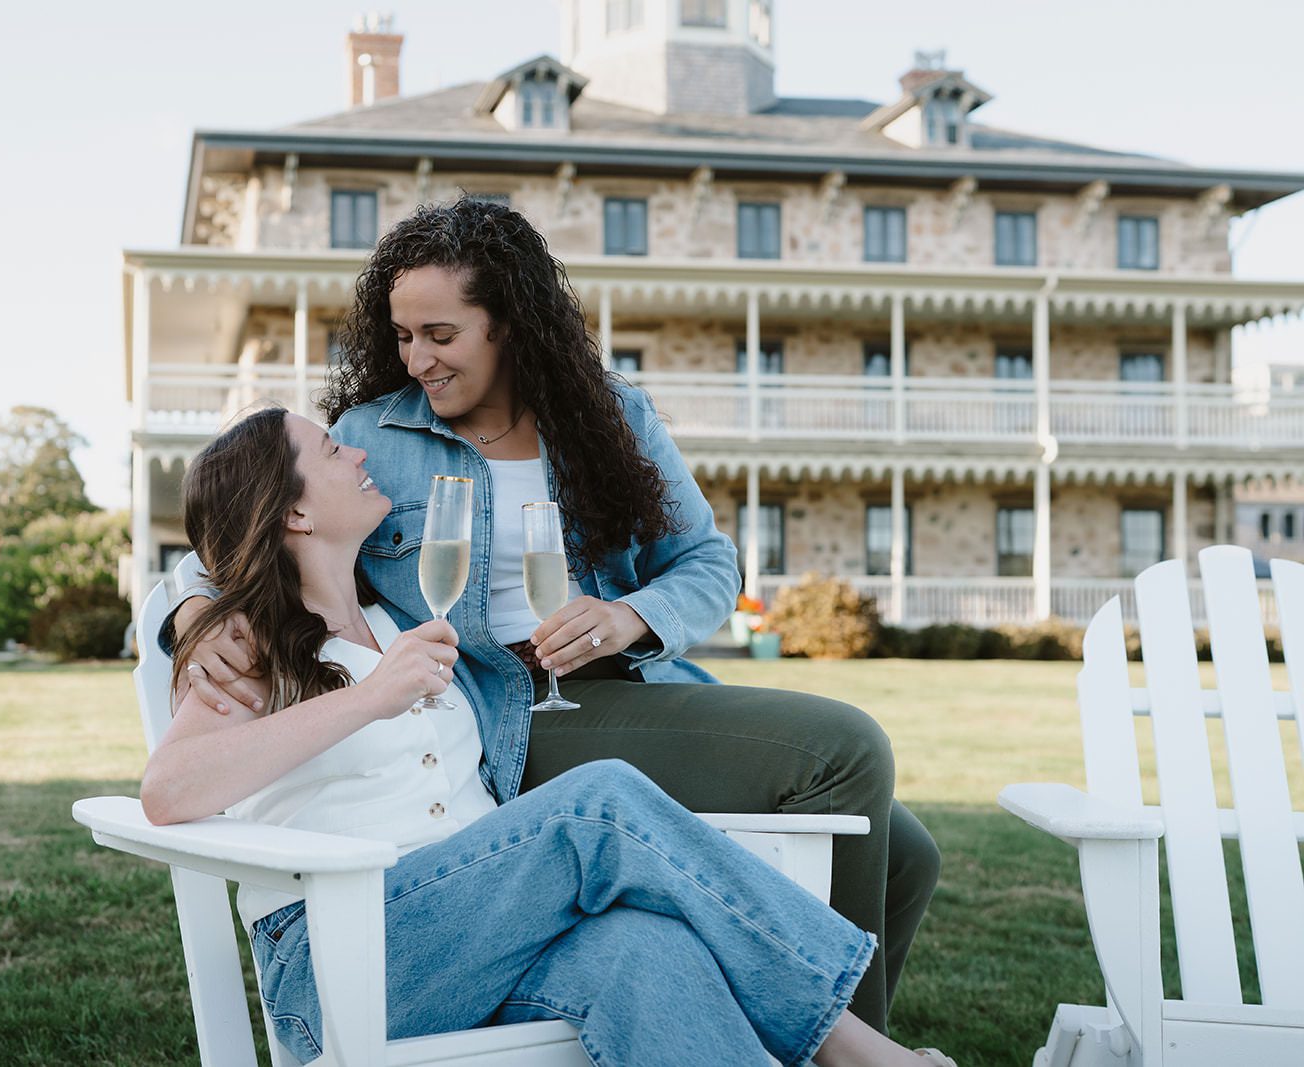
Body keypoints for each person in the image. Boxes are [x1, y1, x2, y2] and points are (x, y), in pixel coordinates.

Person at [167, 198, 940, 1032]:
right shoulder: (372, 434)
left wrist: (629, 618)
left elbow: (711, 564)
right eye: (401, 335)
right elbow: (238, 530)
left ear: (509, 323)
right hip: (501, 709)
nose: (416, 358)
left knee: (906, 854)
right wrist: (194, 607)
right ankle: (849, 1044)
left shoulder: (609, 416)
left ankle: (820, 1029)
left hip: (624, 683)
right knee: (846, 748)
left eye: (441, 334)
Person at [141, 407, 955, 1067]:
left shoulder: (399, 611)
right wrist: (366, 697)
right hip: (338, 961)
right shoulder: (248, 644)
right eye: (328, 448)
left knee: (649, 951)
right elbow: (168, 790)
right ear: (294, 509)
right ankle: (852, 1048)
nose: (357, 451)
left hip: (484, 931)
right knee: (600, 802)